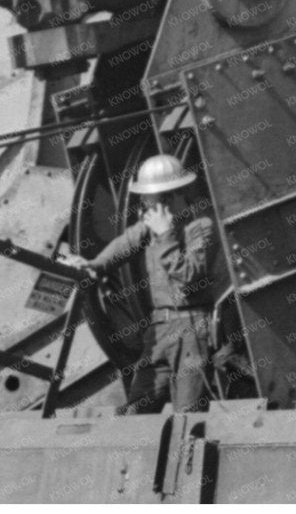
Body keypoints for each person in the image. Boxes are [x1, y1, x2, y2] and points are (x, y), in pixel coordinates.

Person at [62, 153, 218, 415]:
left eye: (150, 200)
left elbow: (189, 274)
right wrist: (96, 264)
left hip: (191, 327)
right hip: (158, 328)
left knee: (188, 412)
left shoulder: (201, 226)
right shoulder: (151, 226)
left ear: (171, 197)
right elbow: (127, 242)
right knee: (139, 407)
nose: (144, 207)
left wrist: (166, 235)